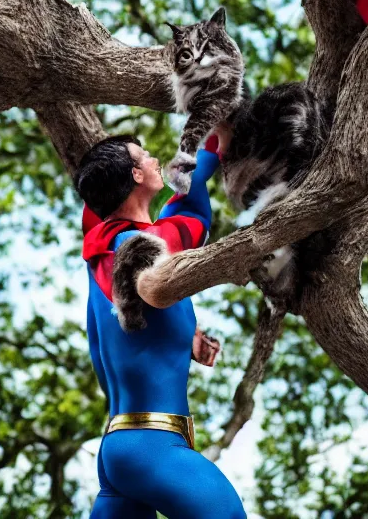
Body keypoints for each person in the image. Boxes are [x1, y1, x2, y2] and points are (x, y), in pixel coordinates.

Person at [77, 135, 247, 519]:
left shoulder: (100, 252)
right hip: (153, 445)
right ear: (135, 174)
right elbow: (191, 217)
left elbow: (113, 338)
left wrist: (185, 337)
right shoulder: (142, 246)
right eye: (145, 157)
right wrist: (212, 148)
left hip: (118, 450)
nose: (154, 159)